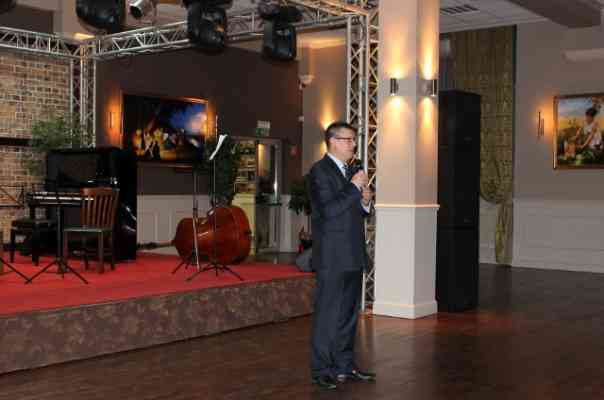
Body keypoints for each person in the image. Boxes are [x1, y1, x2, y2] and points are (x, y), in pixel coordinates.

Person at [308, 121, 375, 390]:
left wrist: (365, 202)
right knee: (327, 315)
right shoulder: (319, 172)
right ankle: (322, 369)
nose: (353, 145)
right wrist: (353, 188)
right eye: (348, 140)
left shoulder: (351, 170)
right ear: (333, 142)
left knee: (348, 316)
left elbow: (351, 212)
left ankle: (344, 366)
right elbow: (328, 211)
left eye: (353, 140)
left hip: (352, 254)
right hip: (332, 257)